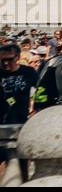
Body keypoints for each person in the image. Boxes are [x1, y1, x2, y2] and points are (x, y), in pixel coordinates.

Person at [0, 42, 37, 180]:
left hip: (21, 122)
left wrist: (35, 109)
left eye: (9, 59)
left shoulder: (28, 72)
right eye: (2, 60)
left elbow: (38, 92)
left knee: (21, 165)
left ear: (17, 57)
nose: (5, 63)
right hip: (1, 123)